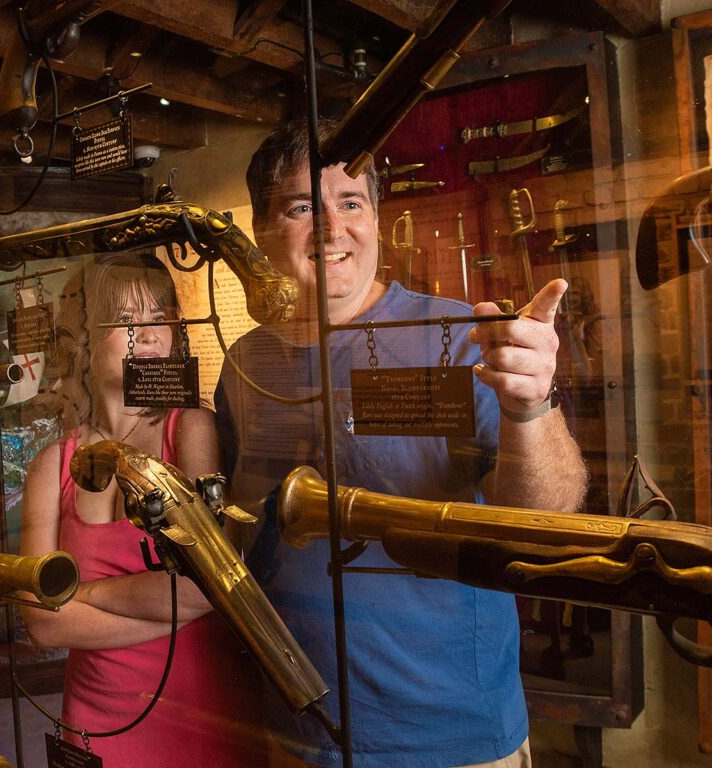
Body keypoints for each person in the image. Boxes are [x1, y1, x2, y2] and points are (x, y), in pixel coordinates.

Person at [214, 119, 588, 768]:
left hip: (447, 740)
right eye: (302, 207)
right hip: (297, 732)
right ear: (262, 233)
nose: (332, 226)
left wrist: (530, 408)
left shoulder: (455, 337)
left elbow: (547, 519)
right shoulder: (244, 361)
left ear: (377, 219)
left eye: (350, 202)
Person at [21, 252, 264, 768]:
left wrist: (78, 596)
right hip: (96, 720)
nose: (150, 335)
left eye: (159, 318)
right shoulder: (51, 465)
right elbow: (42, 624)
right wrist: (172, 600)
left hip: (205, 714)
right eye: (127, 321)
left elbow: (209, 586)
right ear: (84, 341)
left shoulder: (191, 428)